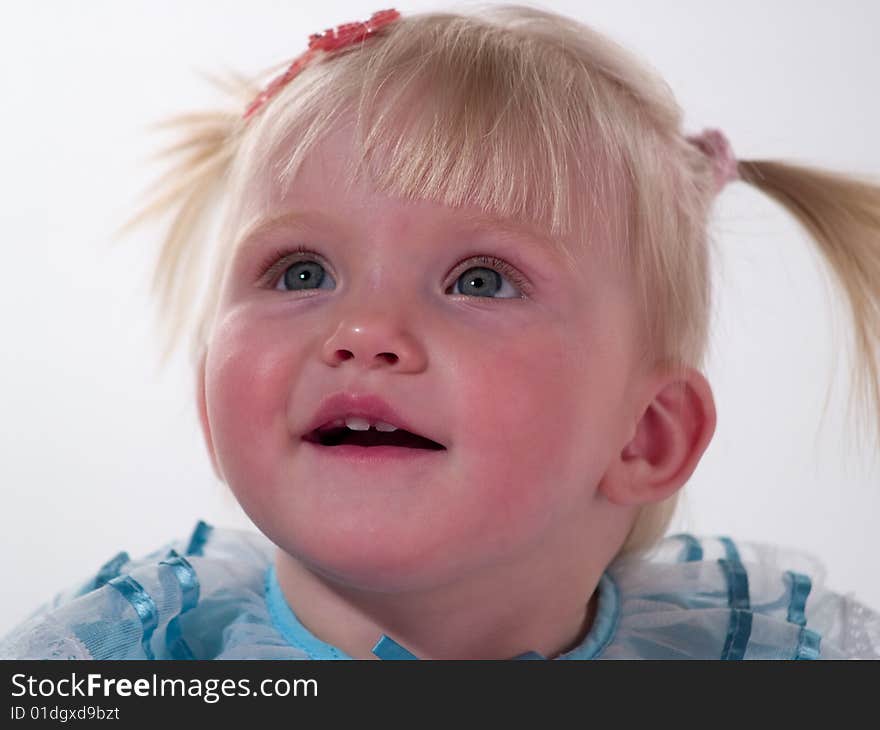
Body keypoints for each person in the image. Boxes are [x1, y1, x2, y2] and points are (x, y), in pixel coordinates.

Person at [2, 4, 879, 660]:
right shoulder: (122, 661)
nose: (363, 331)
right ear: (206, 391)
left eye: (481, 281)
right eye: (301, 272)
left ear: (645, 434)